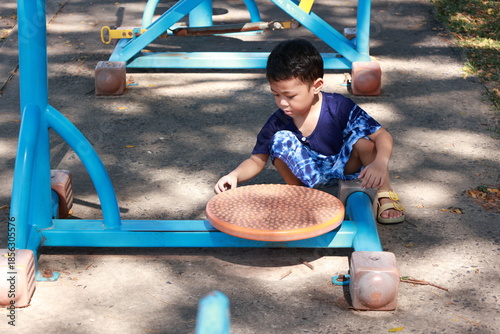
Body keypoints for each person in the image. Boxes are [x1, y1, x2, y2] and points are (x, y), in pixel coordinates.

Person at [214, 39, 405, 224]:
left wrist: (380, 163)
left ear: (316, 86)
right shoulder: (278, 121)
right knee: (279, 141)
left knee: (364, 142)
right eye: (276, 94)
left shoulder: (339, 107)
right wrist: (234, 175)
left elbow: (382, 135)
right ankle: (299, 195)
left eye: (290, 96)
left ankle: (384, 194)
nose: (282, 102)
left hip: (347, 168)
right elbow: (256, 160)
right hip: (310, 175)